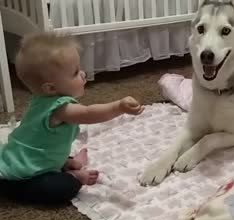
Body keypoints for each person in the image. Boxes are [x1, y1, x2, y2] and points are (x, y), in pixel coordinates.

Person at [0, 32, 144, 205]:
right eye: (75, 72)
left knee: (48, 151)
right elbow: (89, 113)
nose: (83, 74)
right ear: (51, 88)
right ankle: (72, 174)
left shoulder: (40, 99)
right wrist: (118, 107)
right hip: (20, 176)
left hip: (26, 157)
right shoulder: (61, 109)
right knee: (58, 188)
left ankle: (65, 163)